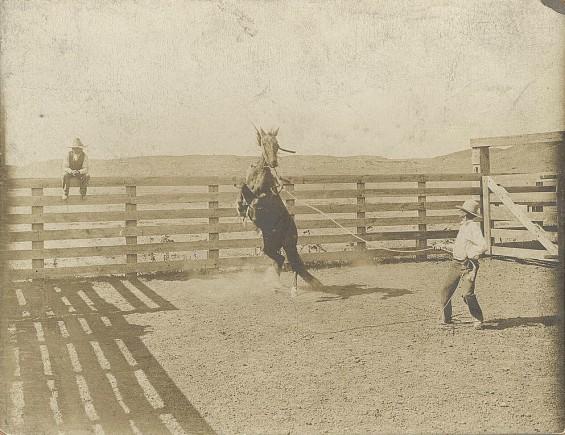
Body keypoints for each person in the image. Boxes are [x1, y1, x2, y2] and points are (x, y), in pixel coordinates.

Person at [434, 199, 488, 329]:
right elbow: (459, 247)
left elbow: (483, 246)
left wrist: (470, 255)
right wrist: (443, 246)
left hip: (468, 265)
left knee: (467, 294)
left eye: (463, 212)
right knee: (445, 290)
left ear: (466, 214)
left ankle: (478, 319)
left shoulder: (473, 227)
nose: (460, 215)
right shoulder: (463, 227)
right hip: (455, 264)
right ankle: (446, 319)